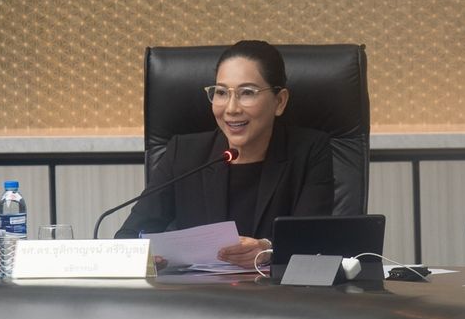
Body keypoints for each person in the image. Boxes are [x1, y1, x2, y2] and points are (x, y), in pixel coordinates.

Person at [115, 40, 334, 268]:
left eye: (247, 93)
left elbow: (313, 239)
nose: (231, 109)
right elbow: (129, 236)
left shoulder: (309, 151)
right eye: (221, 92)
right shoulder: (184, 154)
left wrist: (269, 249)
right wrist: (147, 257)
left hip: (274, 289)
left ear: (279, 101)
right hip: (196, 290)